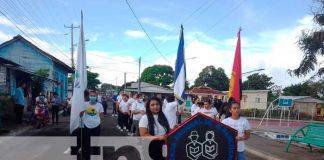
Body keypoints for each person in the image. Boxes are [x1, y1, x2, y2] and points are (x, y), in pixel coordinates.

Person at [79, 90, 104, 160]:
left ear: (96, 96)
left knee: (95, 144)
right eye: (91, 96)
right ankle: (87, 158)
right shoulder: (85, 104)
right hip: (87, 127)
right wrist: (82, 111)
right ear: (89, 96)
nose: (92, 97)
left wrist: (100, 119)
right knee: (87, 144)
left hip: (96, 126)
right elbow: (80, 115)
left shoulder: (99, 105)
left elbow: (102, 115)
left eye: (94, 96)